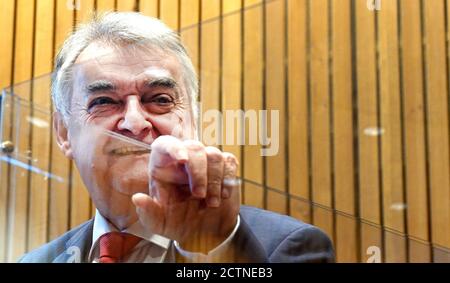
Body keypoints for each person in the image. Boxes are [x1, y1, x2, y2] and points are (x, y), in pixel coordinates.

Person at [19, 12, 334, 263]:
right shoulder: (35, 261)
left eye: (159, 99)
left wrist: (209, 250)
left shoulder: (287, 249)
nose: (134, 121)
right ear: (64, 133)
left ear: (193, 121)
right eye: (104, 101)